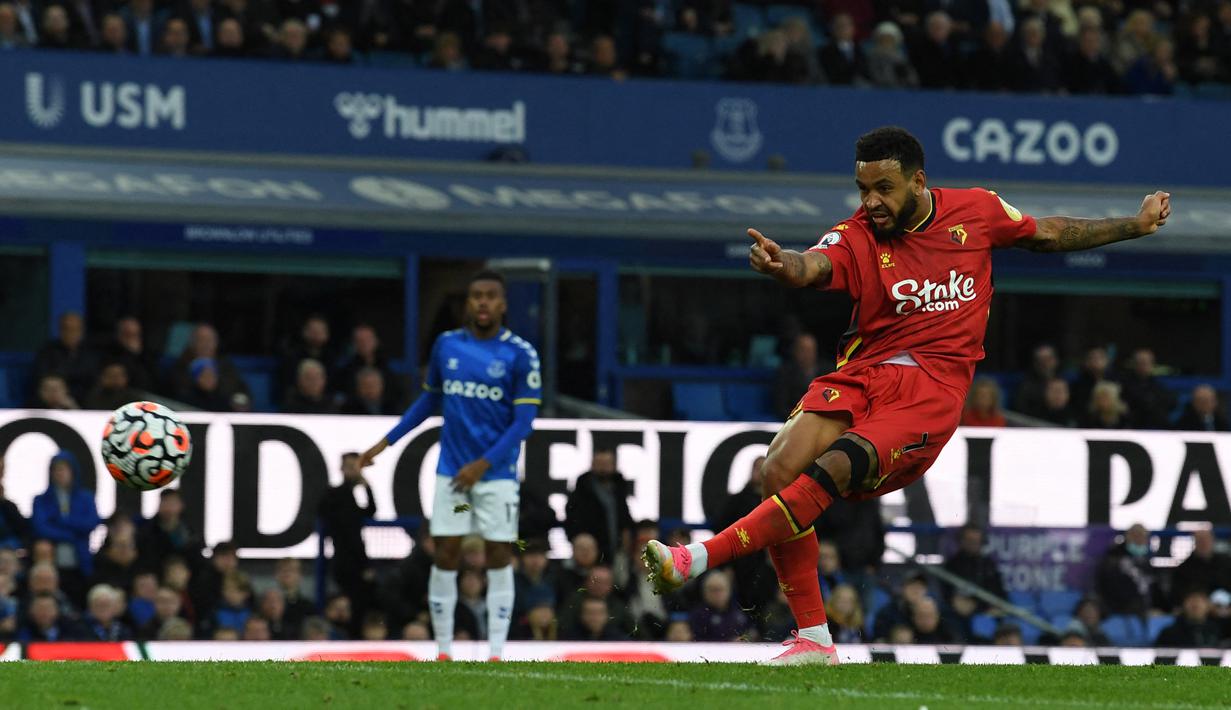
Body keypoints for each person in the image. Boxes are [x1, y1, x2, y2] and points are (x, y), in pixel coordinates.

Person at [643, 126, 1172, 665]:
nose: (871, 202)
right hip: (863, 372)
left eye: (884, 188)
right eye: (862, 188)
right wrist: (787, 266)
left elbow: (1051, 233)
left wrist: (1134, 224)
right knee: (778, 470)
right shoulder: (859, 235)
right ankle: (814, 641)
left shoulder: (977, 210)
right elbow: (815, 263)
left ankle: (696, 559)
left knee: (836, 466)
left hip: (932, 387)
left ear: (918, 181)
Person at [358, 270, 541, 662]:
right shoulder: (446, 346)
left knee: (498, 554)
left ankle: (495, 652)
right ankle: (443, 652)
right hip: (452, 476)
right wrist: (385, 442)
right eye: (477, 295)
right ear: (467, 302)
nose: (483, 302)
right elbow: (428, 402)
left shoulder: (521, 354)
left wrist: (483, 463)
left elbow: (524, 423)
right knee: (445, 552)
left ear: (503, 304)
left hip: (496, 477)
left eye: (491, 296)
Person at [31, 451, 101, 607]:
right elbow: (41, 528)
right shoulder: (41, 500)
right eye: (56, 469)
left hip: (80, 563)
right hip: (54, 563)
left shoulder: (86, 498)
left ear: (72, 471)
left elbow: (91, 522)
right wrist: (72, 535)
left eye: (64, 469)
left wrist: (61, 520)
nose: (60, 473)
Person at [715, 456, 778, 613]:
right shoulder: (736, 501)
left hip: (767, 562)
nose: (761, 473)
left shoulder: (778, 502)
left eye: (765, 468)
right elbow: (720, 530)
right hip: (740, 560)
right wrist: (726, 564)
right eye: (758, 468)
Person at [318, 452, 376, 618]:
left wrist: (367, 488)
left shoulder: (351, 495)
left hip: (354, 560)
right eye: (350, 467)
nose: (354, 471)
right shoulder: (335, 494)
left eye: (356, 467)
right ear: (341, 469)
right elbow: (349, 533)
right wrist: (365, 564)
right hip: (346, 561)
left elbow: (370, 511)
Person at [563, 448, 635, 565]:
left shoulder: (618, 490)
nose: (603, 469)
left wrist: (626, 534)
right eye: (599, 464)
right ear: (592, 465)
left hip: (616, 550)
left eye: (606, 464)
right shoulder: (581, 490)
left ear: (613, 465)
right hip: (590, 551)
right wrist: (579, 538)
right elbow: (571, 518)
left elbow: (624, 517)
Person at [1096, 523, 1164, 616]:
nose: (1139, 540)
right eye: (1136, 536)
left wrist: (1160, 608)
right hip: (1120, 612)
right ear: (1127, 537)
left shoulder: (1146, 561)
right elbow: (1107, 586)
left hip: (1146, 611)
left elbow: (1154, 587)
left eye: (1143, 537)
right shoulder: (1114, 558)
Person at [34, 311, 98, 403]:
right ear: (60, 330)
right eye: (66, 329)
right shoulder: (47, 351)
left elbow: (93, 381)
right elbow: (42, 378)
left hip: (84, 401)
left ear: (81, 331)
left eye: (75, 329)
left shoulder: (91, 352)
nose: (70, 333)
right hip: (54, 399)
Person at [136, 488, 202, 575]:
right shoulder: (146, 531)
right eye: (164, 502)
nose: (167, 507)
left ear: (181, 505)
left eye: (172, 503)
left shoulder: (191, 534)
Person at [942, 524, 1007, 607]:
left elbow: (1000, 593)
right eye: (970, 540)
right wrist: (955, 601)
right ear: (961, 541)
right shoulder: (952, 565)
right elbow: (947, 593)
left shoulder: (988, 564)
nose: (974, 544)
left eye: (977, 541)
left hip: (988, 611)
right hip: (961, 613)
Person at [1120, 348, 1176, 430]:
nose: (1143, 365)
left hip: (1157, 427)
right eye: (1141, 362)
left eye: (1146, 362)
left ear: (1152, 364)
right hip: (1134, 426)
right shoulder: (1125, 384)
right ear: (1135, 364)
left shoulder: (1159, 386)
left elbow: (1171, 403)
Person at [1171, 529, 1231, 603]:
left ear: (1212, 541)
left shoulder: (1226, 563)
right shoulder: (1184, 569)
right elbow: (1179, 596)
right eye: (1200, 541)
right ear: (1195, 543)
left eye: (1206, 540)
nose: (1204, 544)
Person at [774, 334, 823, 416]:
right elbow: (780, 405)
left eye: (810, 350)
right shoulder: (785, 373)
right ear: (795, 351)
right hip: (794, 419)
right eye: (803, 350)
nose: (807, 354)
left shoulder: (826, 372)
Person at [1156, 590, 1223, 647]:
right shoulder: (1169, 633)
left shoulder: (1219, 630)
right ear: (1183, 605)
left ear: (1208, 606)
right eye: (1191, 601)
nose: (1196, 604)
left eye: (1200, 601)